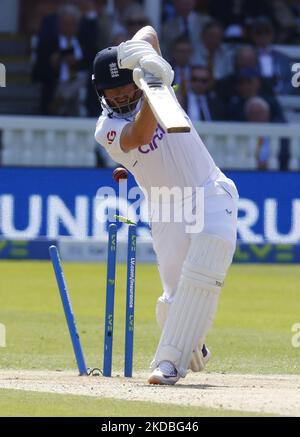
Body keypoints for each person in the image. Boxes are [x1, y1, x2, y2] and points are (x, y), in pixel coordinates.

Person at [93, 26, 239, 385]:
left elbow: (150, 32)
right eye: (113, 93)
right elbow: (140, 135)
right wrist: (151, 85)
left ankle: (168, 363)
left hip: (209, 188)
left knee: (211, 249)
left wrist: (142, 57)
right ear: (102, 95)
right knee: (173, 303)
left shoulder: (155, 83)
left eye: (126, 87)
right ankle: (192, 346)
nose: (122, 96)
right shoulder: (106, 129)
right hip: (166, 210)